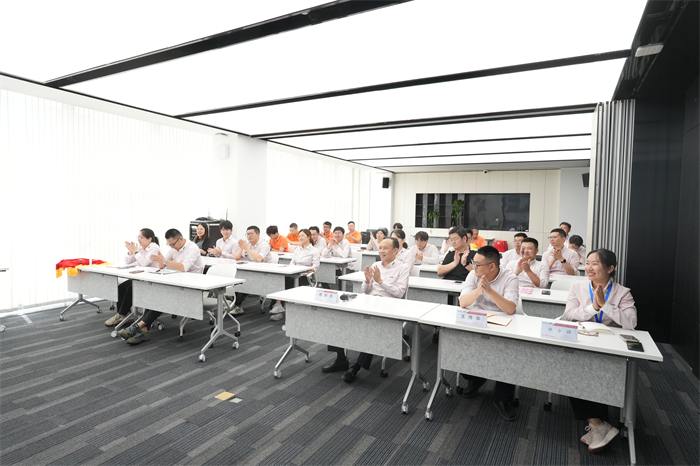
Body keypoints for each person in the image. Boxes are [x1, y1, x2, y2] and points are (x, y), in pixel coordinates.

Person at [561, 249, 636, 452]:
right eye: (587, 263)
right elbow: (569, 314)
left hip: (609, 345)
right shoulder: (578, 287)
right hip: (581, 341)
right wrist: (593, 308)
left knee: (597, 375)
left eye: (595, 263)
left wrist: (606, 305)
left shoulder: (622, 292)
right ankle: (598, 424)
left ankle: (599, 425)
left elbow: (631, 323)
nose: (589, 267)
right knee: (570, 371)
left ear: (610, 268)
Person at [322, 237, 409, 382]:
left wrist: (380, 281)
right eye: (380, 248)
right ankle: (341, 359)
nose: (381, 251)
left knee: (372, 329)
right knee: (338, 317)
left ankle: (356, 368)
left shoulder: (403, 268)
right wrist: (368, 281)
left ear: (395, 251)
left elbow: (399, 293)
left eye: (385, 248)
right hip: (370, 302)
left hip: (388, 306)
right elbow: (365, 290)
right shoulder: (376, 264)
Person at [458, 246, 520, 421]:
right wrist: (478, 291)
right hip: (479, 322)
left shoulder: (510, 278)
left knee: (507, 355)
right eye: (473, 263)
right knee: (459, 348)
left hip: (504, 324)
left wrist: (490, 291)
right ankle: (475, 378)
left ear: (492, 266)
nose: (474, 266)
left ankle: (503, 398)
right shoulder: (474, 274)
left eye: (477, 264)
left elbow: (510, 308)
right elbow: (463, 302)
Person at [118, 229, 204, 344]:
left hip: (193, 286)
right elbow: (162, 266)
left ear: (181, 239)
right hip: (178, 282)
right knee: (157, 295)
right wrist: (160, 260)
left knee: (163, 298)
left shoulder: (192, 248)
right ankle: (143, 329)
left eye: (172, 244)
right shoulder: (173, 248)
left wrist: (164, 260)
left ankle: (138, 326)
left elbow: (184, 267)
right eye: (169, 245)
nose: (171, 247)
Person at [104, 228, 160, 327]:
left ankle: (121, 314)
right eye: (138, 237)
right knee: (121, 287)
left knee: (131, 288)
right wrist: (131, 252)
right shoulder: (141, 247)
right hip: (142, 277)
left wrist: (136, 251)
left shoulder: (154, 248)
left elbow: (144, 262)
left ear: (149, 239)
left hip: (152, 279)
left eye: (141, 237)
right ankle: (123, 314)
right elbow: (128, 261)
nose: (138, 240)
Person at [270, 229, 320, 321]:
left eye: (302, 236)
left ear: (308, 237)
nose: (300, 238)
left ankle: (280, 307)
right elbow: (292, 263)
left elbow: (315, 267)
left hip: (305, 277)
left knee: (286, 284)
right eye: (299, 236)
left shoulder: (314, 251)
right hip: (294, 275)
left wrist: (302, 270)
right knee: (280, 281)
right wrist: (293, 270)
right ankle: (279, 306)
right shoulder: (297, 249)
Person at [231, 226, 273, 314]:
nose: (249, 236)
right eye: (247, 234)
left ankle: (237, 305)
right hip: (253, 271)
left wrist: (246, 248)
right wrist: (242, 247)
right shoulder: (248, 244)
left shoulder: (264, 245)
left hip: (266, 273)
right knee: (239, 279)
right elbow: (237, 257)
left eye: (251, 234)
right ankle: (236, 305)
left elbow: (259, 259)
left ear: (258, 234)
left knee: (245, 281)